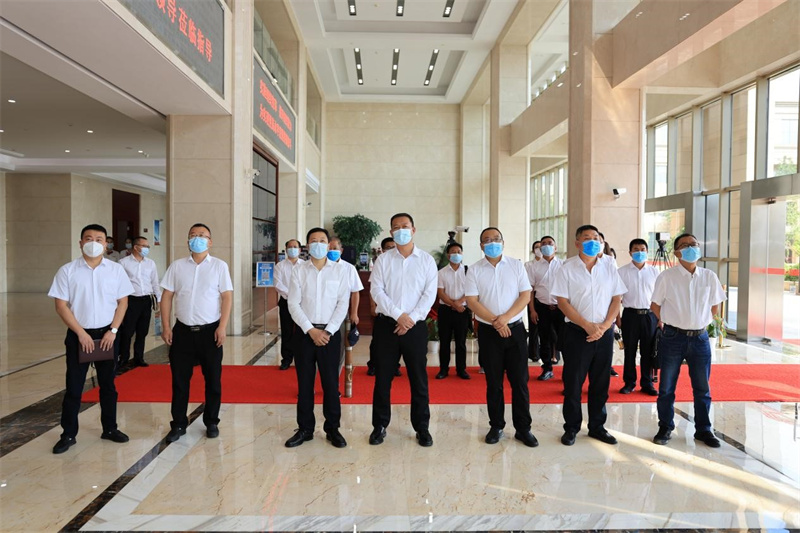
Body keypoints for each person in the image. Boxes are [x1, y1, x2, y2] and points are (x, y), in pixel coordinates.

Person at [48, 224, 133, 454]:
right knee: (74, 387)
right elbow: (61, 305)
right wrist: (81, 333)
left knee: (108, 386)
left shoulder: (115, 270)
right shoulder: (67, 271)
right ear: (80, 243)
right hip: (79, 335)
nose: (93, 243)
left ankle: (110, 428)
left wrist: (113, 331)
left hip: (107, 335)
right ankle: (68, 434)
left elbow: (123, 302)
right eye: (88, 238)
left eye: (98, 239)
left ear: (105, 244)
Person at [551, 224, 627, 446]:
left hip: (604, 333)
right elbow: (562, 302)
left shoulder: (609, 267)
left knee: (600, 382)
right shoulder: (566, 268)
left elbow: (617, 299)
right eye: (587, 237)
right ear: (577, 243)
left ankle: (597, 426)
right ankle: (571, 427)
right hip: (577, 333)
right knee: (573, 382)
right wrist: (586, 325)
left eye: (596, 237)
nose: (593, 241)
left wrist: (604, 327)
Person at [650, 233, 726, 448]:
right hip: (673, 337)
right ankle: (665, 426)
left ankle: (703, 429)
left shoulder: (709, 276)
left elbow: (716, 304)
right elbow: (655, 305)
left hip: (700, 338)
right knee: (666, 387)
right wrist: (667, 322)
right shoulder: (667, 277)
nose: (692, 248)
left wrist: (703, 321)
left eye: (694, 244)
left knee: (702, 387)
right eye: (686, 245)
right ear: (677, 252)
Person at [160, 223, 233, 442]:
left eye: (202, 235)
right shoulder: (177, 266)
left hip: (210, 332)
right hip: (182, 332)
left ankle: (211, 421)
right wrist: (166, 326)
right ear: (188, 241)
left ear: (210, 241)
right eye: (193, 235)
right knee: (180, 381)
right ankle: (178, 424)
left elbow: (227, 297)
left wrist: (222, 326)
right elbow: (166, 297)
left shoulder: (219, 266)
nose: (197, 238)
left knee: (213, 380)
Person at [369, 213, 437, 447]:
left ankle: (422, 427)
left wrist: (411, 319)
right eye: (396, 227)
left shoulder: (426, 260)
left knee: (418, 379)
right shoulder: (383, 260)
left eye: (405, 226)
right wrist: (399, 315)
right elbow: (377, 291)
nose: (401, 230)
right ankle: (379, 426)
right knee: (383, 378)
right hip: (387, 326)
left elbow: (429, 294)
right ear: (391, 233)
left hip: (415, 328)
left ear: (413, 230)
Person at [465, 227, 537, 447]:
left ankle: (523, 428)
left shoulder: (516, 265)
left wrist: (505, 318)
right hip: (489, 333)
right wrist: (496, 322)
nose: (492, 243)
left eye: (496, 239)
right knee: (494, 382)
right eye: (487, 240)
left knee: (520, 382)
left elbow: (525, 295)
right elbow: (472, 301)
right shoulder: (474, 270)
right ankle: (496, 426)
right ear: (481, 245)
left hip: (515, 330)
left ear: (503, 242)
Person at [285, 228, 351, 449]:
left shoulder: (340, 271)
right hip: (305, 334)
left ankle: (333, 428)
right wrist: (310, 330)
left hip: (330, 335)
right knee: (305, 384)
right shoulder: (299, 271)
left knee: (331, 384)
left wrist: (328, 331)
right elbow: (293, 303)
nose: (318, 244)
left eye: (322, 240)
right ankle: (305, 429)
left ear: (328, 244)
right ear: (307, 245)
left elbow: (343, 303)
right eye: (314, 240)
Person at [616, 238, 659, 396]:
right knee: (630, 351)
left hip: (650, 316)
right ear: (630, 252)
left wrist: (660, 319)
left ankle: (647, 383)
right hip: (630, 316)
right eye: (636, 249)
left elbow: (660, 298)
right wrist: (617, 318)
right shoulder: (621, 272)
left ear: (647, 252)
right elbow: (616, 298)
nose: (639, 252)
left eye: (642, 249)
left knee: (648, 351)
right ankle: (629, 382)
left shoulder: (654, 272)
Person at [118, 236, 161, 371]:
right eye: (144, 246)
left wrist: (158, 299)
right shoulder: (123, 263)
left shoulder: (150, 263)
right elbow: (118, 284)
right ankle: (123, 358)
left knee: (142, 331)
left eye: (148, 246)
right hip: (131, 300)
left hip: (146, 300)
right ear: (136, 247)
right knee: (127, 331)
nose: (147, 249)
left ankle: (139, 357)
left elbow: (155, 282)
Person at [527, 235, 564, 381]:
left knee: (564, 338)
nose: (547, 245)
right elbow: (530, 290)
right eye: (544, 243)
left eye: (550, 243)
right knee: (544, 339)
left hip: (561, 308)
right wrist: (532, 310)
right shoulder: (534, 267)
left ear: (555, 247)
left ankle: (568, 370)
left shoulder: (563, 265)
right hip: (542, 307)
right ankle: (547, 368)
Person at [327, 236, 364, 373]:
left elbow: (355, 292)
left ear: (341, 250)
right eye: (329, 248)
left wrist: (354, 313)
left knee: (340, 345)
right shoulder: (320, 266)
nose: (332, 251)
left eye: (335, 248)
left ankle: (335, 376)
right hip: (321, 313)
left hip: (341, 313)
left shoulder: (349, 268)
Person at [367, 237, 401, 377]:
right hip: (382, 310)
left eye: (394, 246)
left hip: (398, 312)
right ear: (382, 249)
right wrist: (372, 306)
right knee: (377, 342)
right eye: (388, 247)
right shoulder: (380, 263)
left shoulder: (401, 263)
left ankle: (395, 366)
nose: (392, 249)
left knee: (397, 341)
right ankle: (373, 365)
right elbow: (373, 289)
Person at [436, 242, 470, 380]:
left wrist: (460, 302)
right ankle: (443, 369)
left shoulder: (468, 271)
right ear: (448, 255)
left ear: (462, 254)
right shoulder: (441, 272)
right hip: (446, 310)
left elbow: (471, 291)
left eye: (459, 252)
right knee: (444, 341)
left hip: (462, 310)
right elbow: (440, 292)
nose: (456, 254)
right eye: (453, 252)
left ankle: (461, 369)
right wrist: (454, 304)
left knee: (461, 342)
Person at [274, 239, 304, 370]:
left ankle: (301, 358)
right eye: (290, 247)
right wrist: (292, 295)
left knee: (301, 330)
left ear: (300, 250)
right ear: (286, 250)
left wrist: (298, 296)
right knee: (287, 331)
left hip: (302, 303)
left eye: (295, 246)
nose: (293, 249)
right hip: (286, 302)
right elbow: (278, 284)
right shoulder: (279, 266)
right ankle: (286, 359)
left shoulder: (305, 265)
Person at [524, 241, 542, 363]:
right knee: (534, 326)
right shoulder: (529, 265)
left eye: (541, 247)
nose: (539, 249)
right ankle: (534, 353)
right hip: (532, 295)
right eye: (536, 247)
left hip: (547, 297)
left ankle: (552, 354)